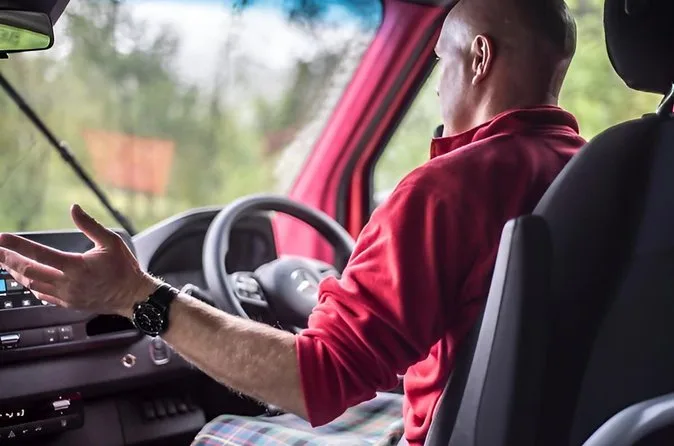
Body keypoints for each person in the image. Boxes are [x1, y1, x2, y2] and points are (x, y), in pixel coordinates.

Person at [0, 0, 584, 444]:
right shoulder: (594, 172)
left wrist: (133, 295)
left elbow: (318, 379)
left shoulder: (447, 191)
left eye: (439, 61)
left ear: (478, 57)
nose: (436, 88)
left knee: (221, 434)